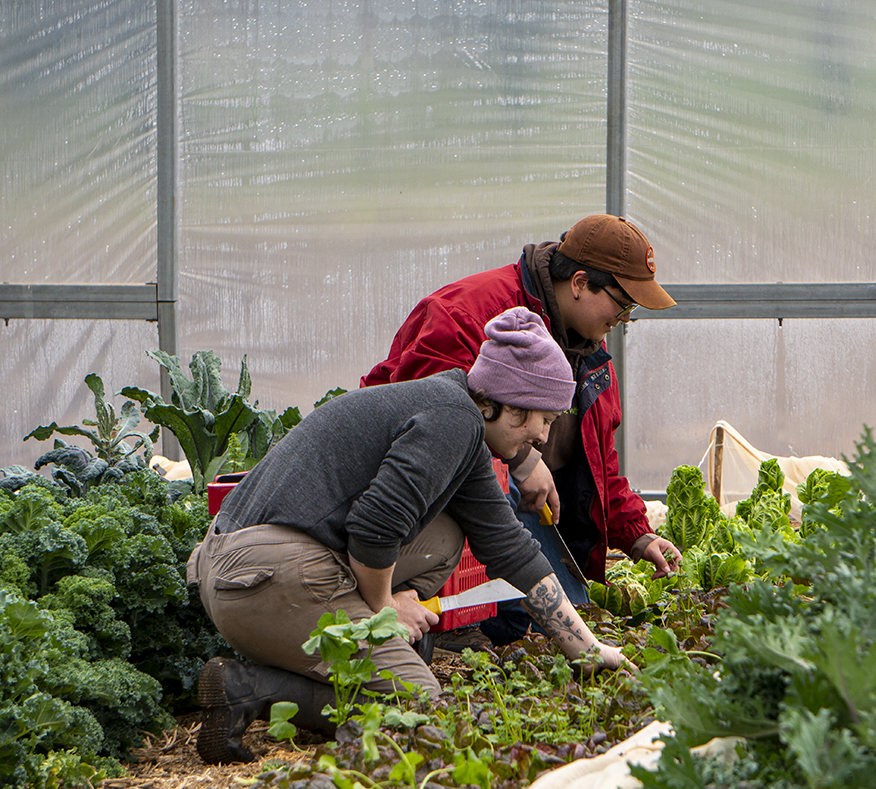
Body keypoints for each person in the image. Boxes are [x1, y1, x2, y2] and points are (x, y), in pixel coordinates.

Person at [188, 308, 626, 764]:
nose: (544, 437)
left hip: (243, 566)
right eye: (546, 419)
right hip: (262, 576)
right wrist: (386, 608)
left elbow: (509, 545)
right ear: (514, 404)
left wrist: (588, 649)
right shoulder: (452, 420)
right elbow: (374, 527)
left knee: (447, 535)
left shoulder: (459, 419)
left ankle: (364, 644)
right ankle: (249, 688)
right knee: (418, 711)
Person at [361, 214, 683, 645]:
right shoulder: (466, 313)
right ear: (580, 283)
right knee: (533, 612)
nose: (625, 318)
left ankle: (492, 618)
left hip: (525, 510)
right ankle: (441, 617)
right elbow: (430, 422)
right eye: (622, 304)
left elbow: (599, 459)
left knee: (565, 614)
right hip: (425, 508)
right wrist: (520, 458)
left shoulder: (590, 348)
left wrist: (636, 534)